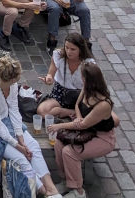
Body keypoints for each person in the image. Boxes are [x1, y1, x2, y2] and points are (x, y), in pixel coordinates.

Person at [0, 57, 62, 197]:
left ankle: (52, 189)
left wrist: (21, 138)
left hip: (5, 122)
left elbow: (14, 111)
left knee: (32, 145)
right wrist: (18, 146)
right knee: (21, 159)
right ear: (13, 78)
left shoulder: (13, 86)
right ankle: (45, 192)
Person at [47, 63, 118, 198]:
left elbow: (83, 125)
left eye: (82, 77)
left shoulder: (103, 104)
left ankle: (78, 191)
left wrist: (60, 126)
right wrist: (78, 117)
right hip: (86, 130)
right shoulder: (86, 89)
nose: (81, 79)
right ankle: (66, 181)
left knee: (70, 152)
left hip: (102, 137)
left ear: (88, 79)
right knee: (59, 143)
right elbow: (77, 106)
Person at [37, 32, 95, 119]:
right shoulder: (58, 55)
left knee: (98, 114)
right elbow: (50, 74)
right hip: (61, 92)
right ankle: (71, 112)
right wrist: (49, 79)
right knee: (42, 111)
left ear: (80, 49)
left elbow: (92, 86)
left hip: (80, 94)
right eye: (66, 47)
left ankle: (64, 112)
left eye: (73, 49)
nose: (68, 52)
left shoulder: (88, 63)